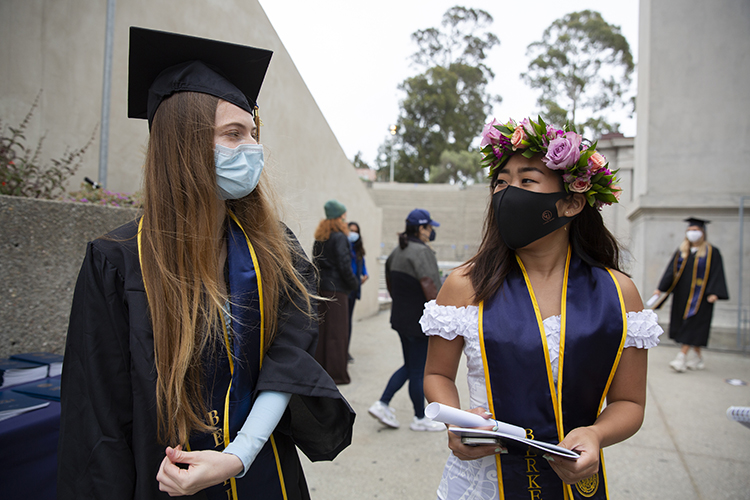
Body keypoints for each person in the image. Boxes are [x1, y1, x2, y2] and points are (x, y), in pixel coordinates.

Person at [57, 27, 354, 500]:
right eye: (233, 135)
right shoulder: (116, 262)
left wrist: (239, 454)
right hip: (163, 481)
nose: (252, 149)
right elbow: (98, 417)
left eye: (253, 134)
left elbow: (288, 360)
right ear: (183, 145)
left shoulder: (276, 250)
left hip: (263, 472)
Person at [421, 117, 663, 499]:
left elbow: (630, 402)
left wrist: (596, 435)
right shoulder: (465, 285)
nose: (507, 192)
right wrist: (456, 422)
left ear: (570, 202)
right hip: (483, 482)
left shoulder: (618, 293)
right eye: (501, 181)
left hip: (572, 482)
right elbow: (437, 374)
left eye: (526, 181)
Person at [368, 208, 445, 432]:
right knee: (417, 370)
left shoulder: (397, 251)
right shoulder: (422, 253)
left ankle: (383, 403)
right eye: (429, 227)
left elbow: (390, 284)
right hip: (419, 322)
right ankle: (420, 418)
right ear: (421, 229)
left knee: (411, 366)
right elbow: (433, 289)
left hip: (401, 319)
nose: (431, 231)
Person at [653, 217, 729, 372]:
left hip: (702, 297)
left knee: (693, 325)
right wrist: (660, 288)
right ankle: (698, 358)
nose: (692, 233)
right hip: (682, 296)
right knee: (688, 327)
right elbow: (671, 271)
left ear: (702, 232)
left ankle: (681, 357)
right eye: (690, 230)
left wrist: (715, 292)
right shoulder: (682, 251)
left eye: (696, 230)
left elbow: (717, 272)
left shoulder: (711, 252)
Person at [312, 200, 359, 384]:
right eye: (343, 217)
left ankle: (321, 370)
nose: (345, 221)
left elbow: (315, 263)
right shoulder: (340, 237)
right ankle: (337, 374)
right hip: (337, 290)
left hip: (321, 288)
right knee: (338, 333)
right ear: (338, 218)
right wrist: (353, 284)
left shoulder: (320, 237)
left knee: (323, 332)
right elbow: (344, 265)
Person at [346, 221, 369, 361]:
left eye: (355, 231)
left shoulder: (358, 250)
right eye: (351, 230)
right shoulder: (344, 247)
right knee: (342, 321)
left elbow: (363, 265)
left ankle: (345, 350)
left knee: (348, 320)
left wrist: (365, 275)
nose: (353, 233)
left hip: (354, 289)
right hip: (345, 288)